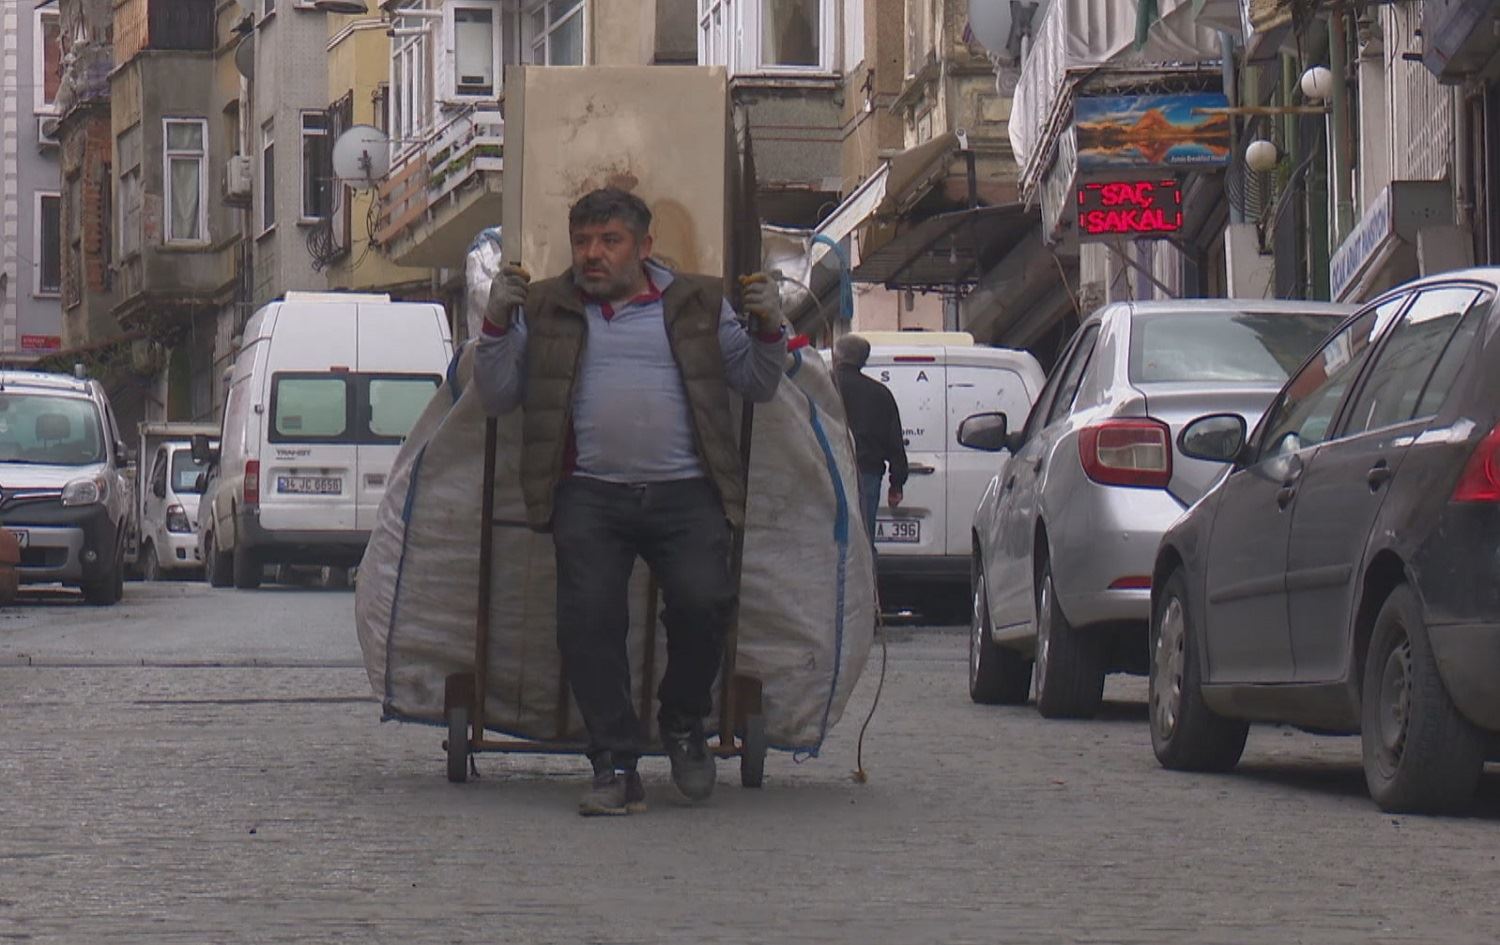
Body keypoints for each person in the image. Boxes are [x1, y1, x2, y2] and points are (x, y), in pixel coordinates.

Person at [473, 187, 787, 816]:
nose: (593, 255)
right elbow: (499, 395)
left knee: (706, 603)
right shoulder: (547, 305)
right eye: (583, 242)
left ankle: (682, 723)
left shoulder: (698, 304)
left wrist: (772, 327)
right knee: (588, 623)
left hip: (687, 491)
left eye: (609, 242)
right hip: (588, 493)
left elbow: (756, 382)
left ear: (644, 248)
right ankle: (614, 764)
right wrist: (496, 324)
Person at [831, 334, 908, 546]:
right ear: (863, 360)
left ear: (836, 357)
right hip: (867, 475)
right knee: (863, 541)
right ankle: (866, 577)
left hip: (827, 471)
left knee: (828, 539)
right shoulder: (880, 394)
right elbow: (895, 443)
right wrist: (896, 484)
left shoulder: (824, 386)